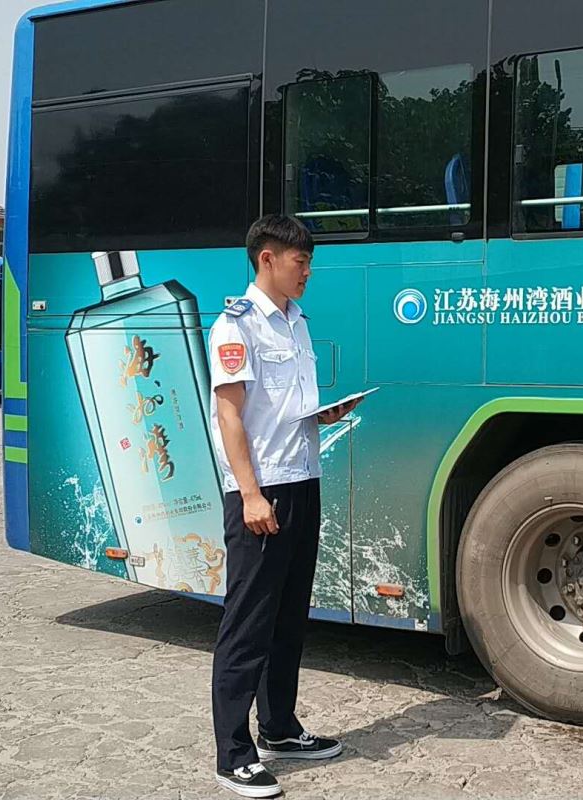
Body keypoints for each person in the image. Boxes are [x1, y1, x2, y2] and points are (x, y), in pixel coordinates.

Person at [207, 214, 360, 798]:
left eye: (310, 262)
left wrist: (325, 415)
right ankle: (233, 754)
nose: (308, 272)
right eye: (301, 261)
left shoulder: (296, 322)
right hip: (261, 490)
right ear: (267, 258)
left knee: (289, 615)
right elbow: (230, 416)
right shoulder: (236, 325)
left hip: (301, 481)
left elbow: (282, 410)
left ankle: (279, 728)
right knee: (248, 623)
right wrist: (250, 494)